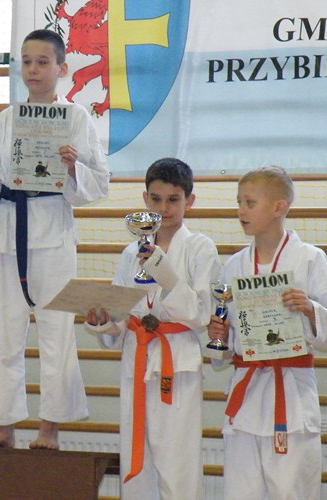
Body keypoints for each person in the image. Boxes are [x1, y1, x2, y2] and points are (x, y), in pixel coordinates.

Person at [0, 29, 110, 449]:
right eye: (26, 61)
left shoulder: (76, 118)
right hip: (9, 232)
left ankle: (50, 428)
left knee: (56, 331)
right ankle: (3, 425)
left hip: (52, 232)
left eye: (43, 62)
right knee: (5, 331)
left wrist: (74, 166)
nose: (33, 69)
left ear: (61, 69)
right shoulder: (7, 118)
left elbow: (98, 183)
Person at [207, 165, 327, 500]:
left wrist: (310, 308)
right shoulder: (234, 265)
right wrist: (220, 335)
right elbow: (224, 346)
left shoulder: (310, 259)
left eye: (250, 202)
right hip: (246, 394)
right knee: (240, 492)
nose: (241, 211)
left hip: (291, 392)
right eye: (239, 202)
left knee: (291, 490)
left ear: (278, 207)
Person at [85, 158, 220, 499]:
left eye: (173, 200)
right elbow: (121, 315)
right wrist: (104, 322)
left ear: (190, 201)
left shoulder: (201, 248)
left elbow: (200, 314)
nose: (164, 208)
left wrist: (163, 270)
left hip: (177, 362)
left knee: (177, 463)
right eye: (156, 199)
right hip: (137, 357)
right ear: (145, 199)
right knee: (137, 458)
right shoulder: (130, 252)